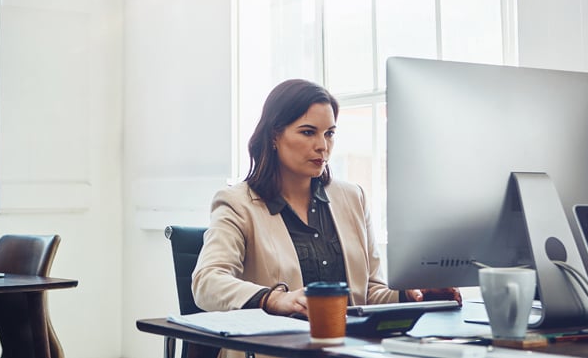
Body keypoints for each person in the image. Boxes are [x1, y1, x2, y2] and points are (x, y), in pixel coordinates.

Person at [192, 79, 460, 320]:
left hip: (349, 348)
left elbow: (368, 292)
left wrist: (414, 295)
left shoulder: (352, 197)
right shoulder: (237, 203)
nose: (323, 146)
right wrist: (274, 299)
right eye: (308, 132)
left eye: (329, 133)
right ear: (274, 135)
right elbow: (207, 282)